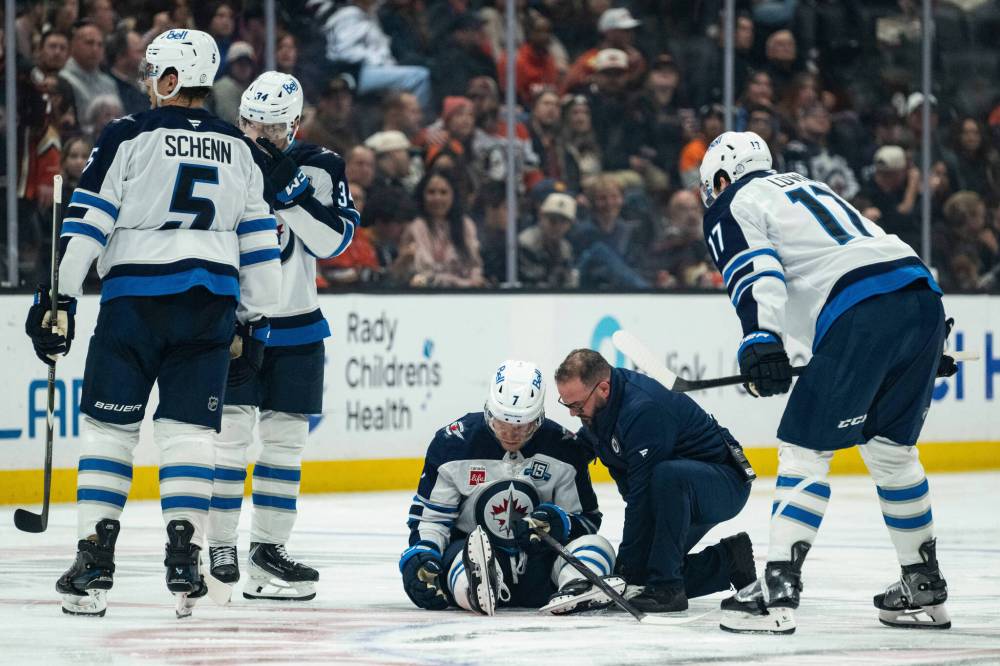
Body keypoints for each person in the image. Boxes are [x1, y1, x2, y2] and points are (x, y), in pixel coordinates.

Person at [25, 28, 281, 618]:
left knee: (110, 432)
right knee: (190, 434)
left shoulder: (129, 134)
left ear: (169, 79)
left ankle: (94, 563)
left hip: (135, 306)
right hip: (212, 308)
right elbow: (260, 247)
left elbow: (88, 222)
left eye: (153, 72)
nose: (146, 82)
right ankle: (183, 557)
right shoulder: (238, 147)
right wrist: (254, 317)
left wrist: (61, 295)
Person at [698, 131, 952, 633]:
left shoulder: (734, 200)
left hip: (861, 311)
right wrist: (926, 347)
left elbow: (756, 269)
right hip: (922, 299)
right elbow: (879, 251)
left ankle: (776, 592)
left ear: (721, 178)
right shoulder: (812, 187)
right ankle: (923, 585)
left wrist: (759, 337)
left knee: (803, 450)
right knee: (891, 452)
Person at [208, 71, 360, 601]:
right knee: (228, 442)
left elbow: (333, 243)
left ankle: (267, 552)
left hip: (297, 325)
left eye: (273, 127)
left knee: (285, 445)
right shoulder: (221, 159)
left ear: (294, 125)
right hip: (238, 322)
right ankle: (219, 546)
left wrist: (290, 191)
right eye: (251, 122)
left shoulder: (321, 166)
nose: (260, 134)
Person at [400, 360, 623, 616]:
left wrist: (561, 522)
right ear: (488, 411)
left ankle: (576, 587)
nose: (511, 434)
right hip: (474, 554)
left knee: (598, 545)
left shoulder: (563, 448)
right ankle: (476, 588)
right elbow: (431, 520)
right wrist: (423, 555)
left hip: (541, 568)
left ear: (538, 419)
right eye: (501, 423)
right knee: (463, 558)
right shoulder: (453, 444)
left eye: (522, 426)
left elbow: (587, 520)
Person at [553, 349, 756, 613]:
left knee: (666, 477)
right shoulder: (601, 408)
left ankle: (668, 588)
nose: (573, 413)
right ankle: (728, 561)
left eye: (577, 406)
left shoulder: (642, 410)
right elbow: (580, 447)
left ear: (603, 388)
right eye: (567, 405)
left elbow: (641, 497)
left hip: (723, 483)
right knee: (640, 574)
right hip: (679, 492)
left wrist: (624, 566)